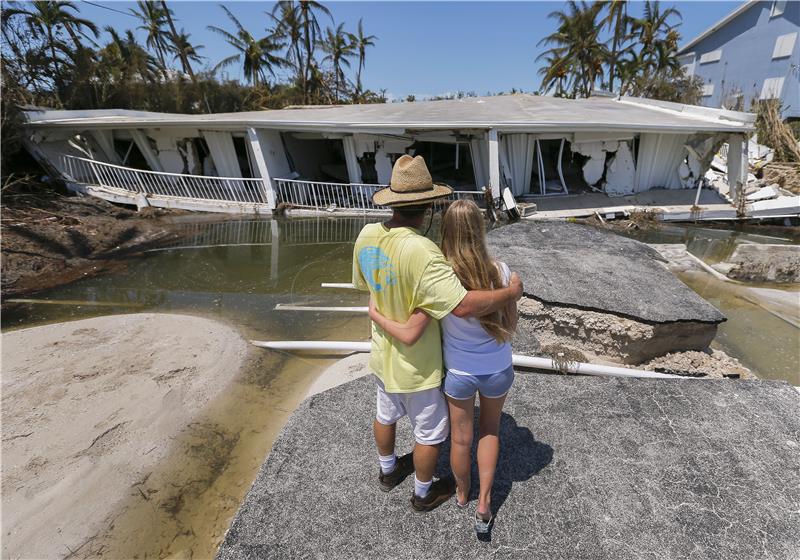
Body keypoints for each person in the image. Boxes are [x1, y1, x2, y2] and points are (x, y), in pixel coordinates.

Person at [353, 155, 523, 513]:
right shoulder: (423, 252)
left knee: (385, 414)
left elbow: (367, 284)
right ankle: (423, 492)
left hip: (383, 356)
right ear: (428, 205)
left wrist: (377, 310)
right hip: (418, 366)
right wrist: (509, 293)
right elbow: (462, 305)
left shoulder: (367, 234)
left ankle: (387, 471)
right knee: (428, 433)